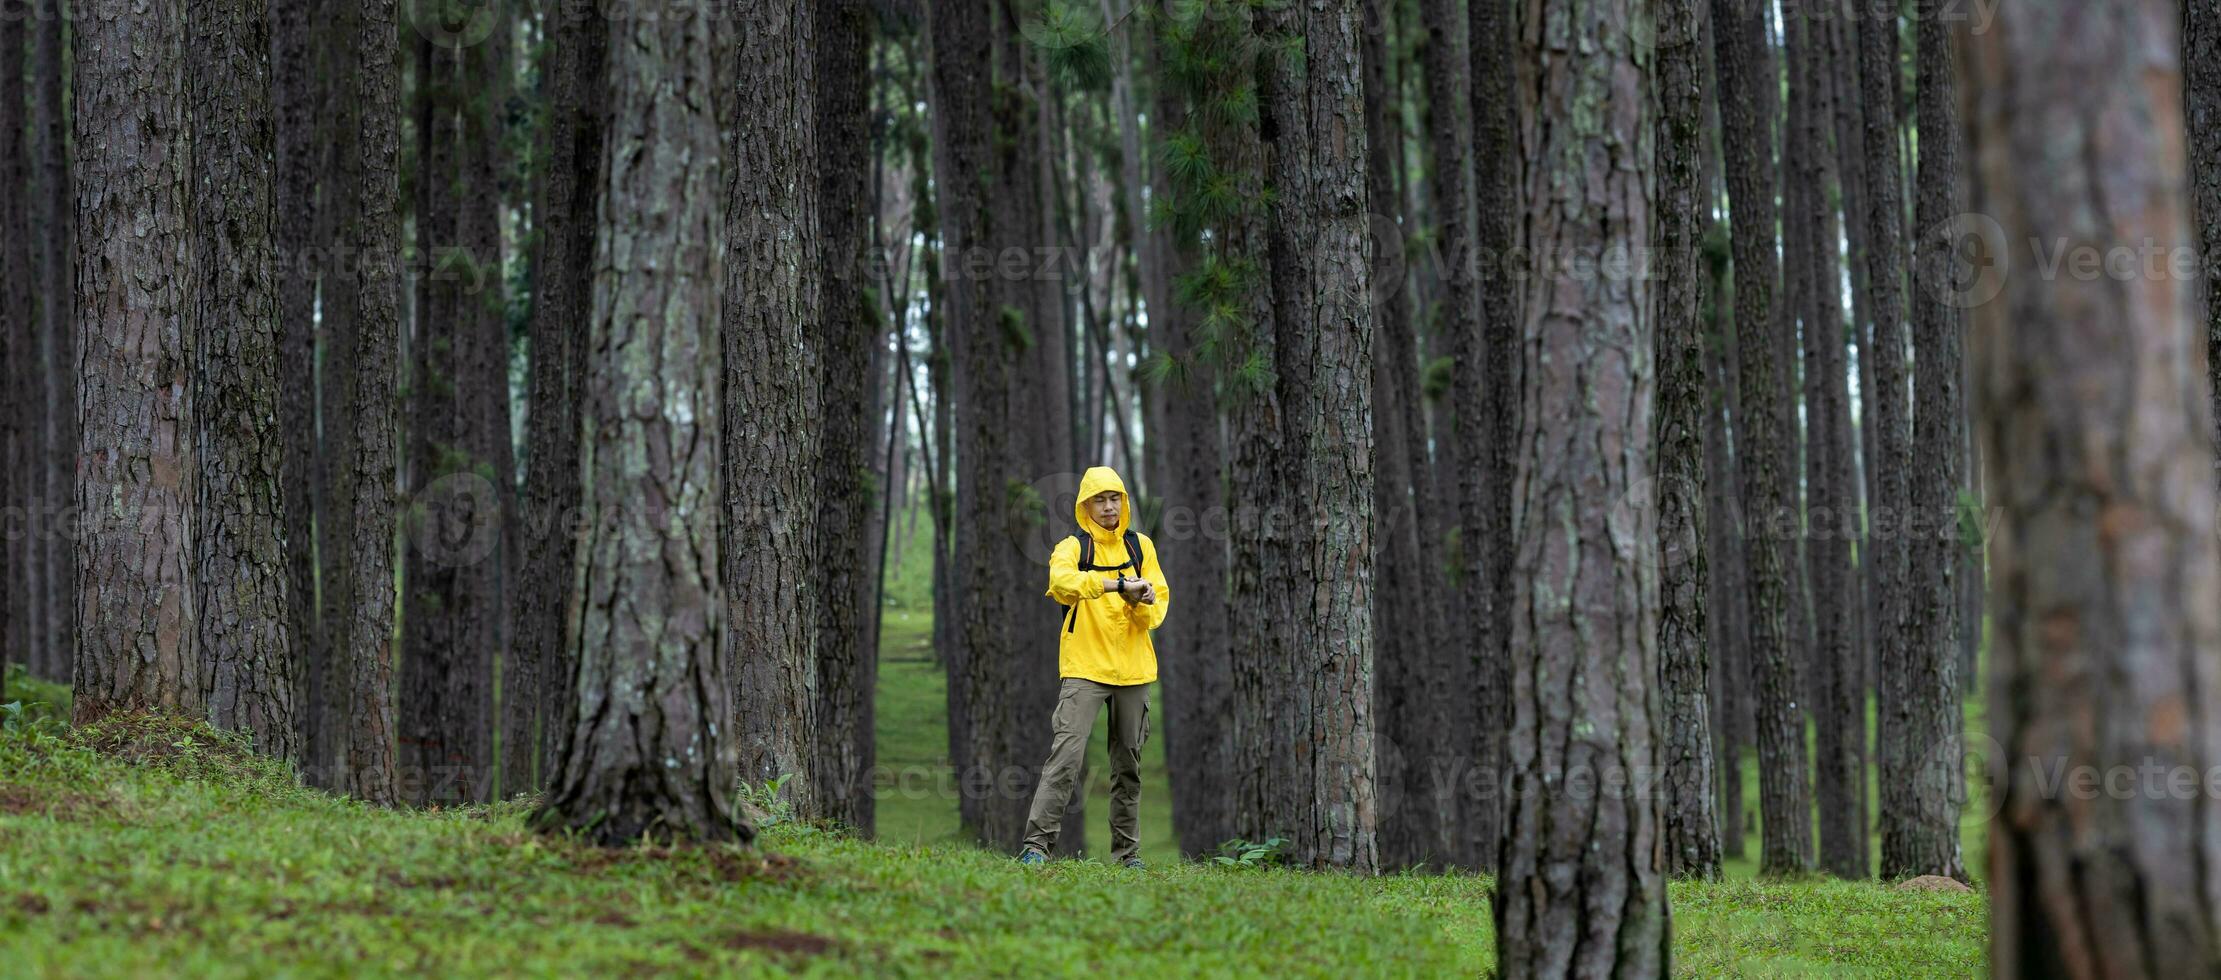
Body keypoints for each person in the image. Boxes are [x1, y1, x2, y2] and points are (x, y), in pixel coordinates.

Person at [1017, 466, 1170, 868]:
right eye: (1099, 500)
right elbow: (1062, 584)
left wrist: (1142, 602)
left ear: (1124, 501)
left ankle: (1127, 856)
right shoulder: (1072, 547)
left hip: (1134, 670)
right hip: (1084, 667)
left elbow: (1158, 609)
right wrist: (1119, 586)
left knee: (1129, 767)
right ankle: (1036, 848)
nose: (1108, 507)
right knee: (1065, 758)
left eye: (1114, 498)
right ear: (1085, 506)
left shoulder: (1142, 547)